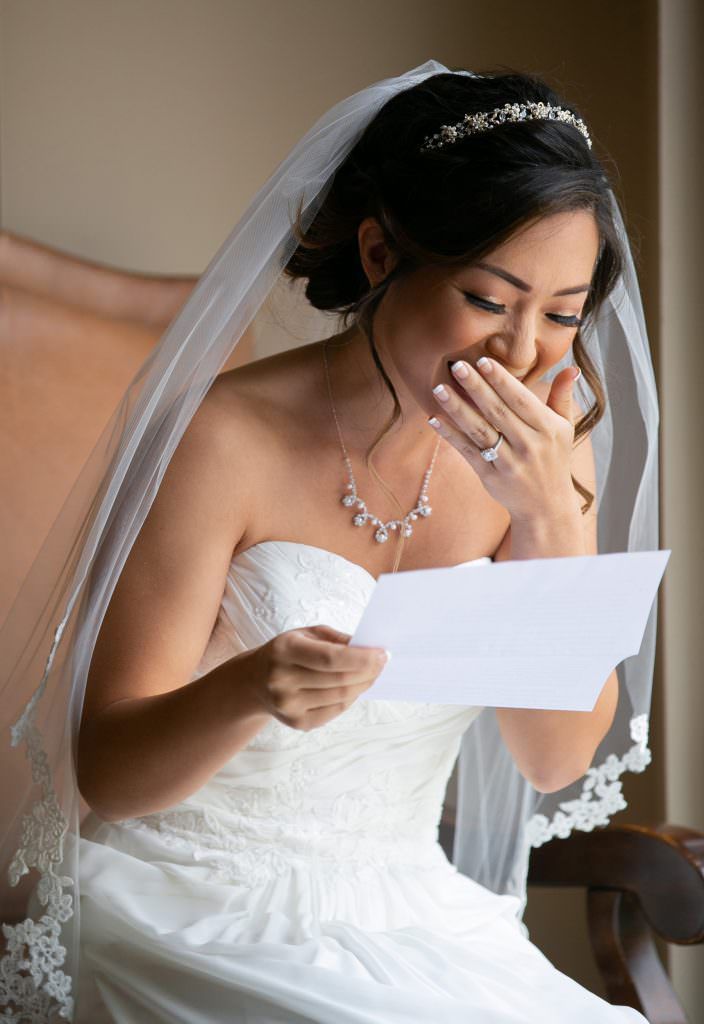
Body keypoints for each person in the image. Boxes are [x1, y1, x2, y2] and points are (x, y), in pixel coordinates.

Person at [0, 61, 657, 1022]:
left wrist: (549, 517)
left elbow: (554, 761)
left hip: (417, 922)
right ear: (381, 253)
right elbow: (110, 777)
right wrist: (246, 688)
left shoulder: (549, 452)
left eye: (561, 315)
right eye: (489, 300)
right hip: (192, 912)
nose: (522, 353)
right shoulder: (223, 439)